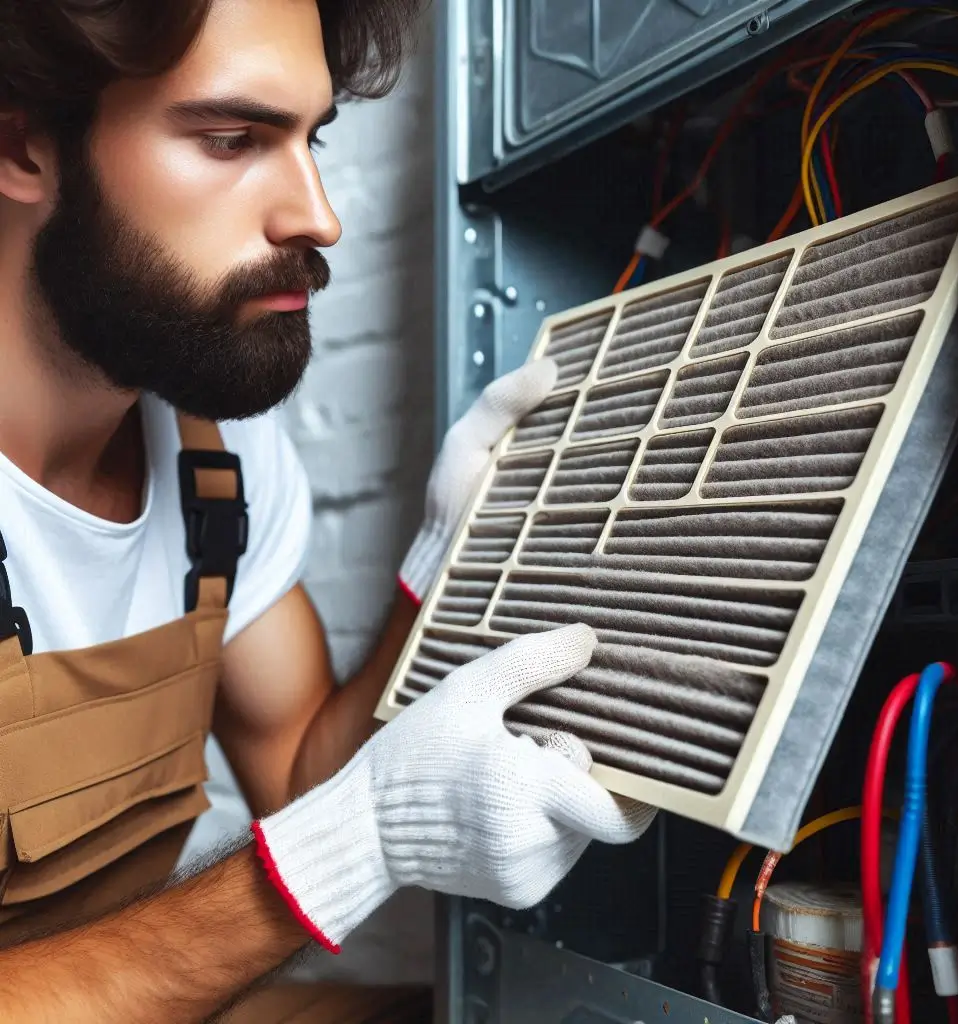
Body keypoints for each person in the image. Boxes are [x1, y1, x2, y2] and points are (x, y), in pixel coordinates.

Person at [0, 0, 655, 1020]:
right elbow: (331, 825)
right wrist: (355, 842)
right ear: (22, 144)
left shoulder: (218, 453)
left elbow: (302, 768)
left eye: (311, 138)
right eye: (230, 138)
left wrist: (441, 563)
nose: (317, 216)